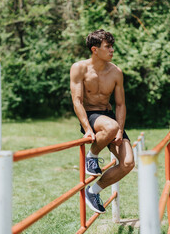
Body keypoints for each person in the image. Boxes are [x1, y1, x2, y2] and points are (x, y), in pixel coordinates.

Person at [70, 29, 135, 214]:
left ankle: (93, 191)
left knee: (128, 163)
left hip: (110, 117)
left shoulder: (116, 72)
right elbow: (77, 101)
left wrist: (120, 131)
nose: (112, 50)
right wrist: (87, 129)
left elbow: (120, 104)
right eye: (108, 47)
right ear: (95, 49)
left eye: (112, 46)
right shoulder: (79, 68)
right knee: (111, 126)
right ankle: (92, 156)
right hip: (91, 116)